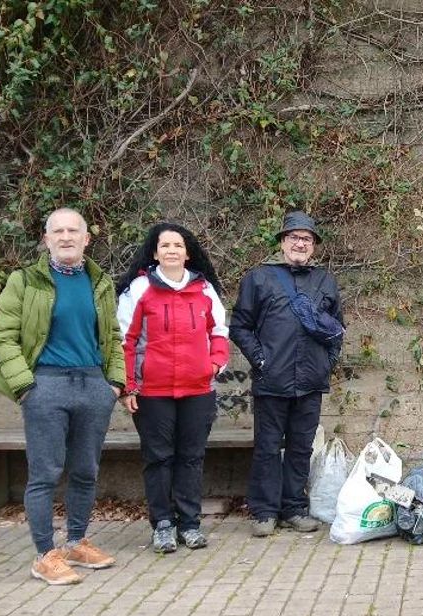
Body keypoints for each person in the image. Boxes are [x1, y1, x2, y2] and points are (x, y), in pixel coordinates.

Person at [0, 208, 125, 585]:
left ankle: (77, 542)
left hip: (93, 386)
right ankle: (45, 555)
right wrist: (25, 387)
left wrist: (112, 384)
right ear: (46, 240)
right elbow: (2, 336)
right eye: (57, 231)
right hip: (45, 385)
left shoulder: (100, 282)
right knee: (45, 473)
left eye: (73, 231)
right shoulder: (25, 281)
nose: (66, 237)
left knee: (85, 470)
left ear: (86, 239)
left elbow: (113, 335)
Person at [116, 223, 229, 553]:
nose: (171, 251)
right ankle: (162, 524)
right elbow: (125, 340)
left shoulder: (204, 289)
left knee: (191, 458)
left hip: (197, 390)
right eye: (164, 245)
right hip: (153, 392)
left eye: (177, 245)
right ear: (155, 252)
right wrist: (129, 387)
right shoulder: (138, 290)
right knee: (159, 458)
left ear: (187, 252)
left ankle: (190, 524)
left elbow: (219, 332)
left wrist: (213, 364)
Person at [230, 211, 344, 536]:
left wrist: (327, 362)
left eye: (306, 239)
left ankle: (294, 508)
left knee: (300, 447)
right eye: (294, 237)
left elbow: (337, 329)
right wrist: (260, 359)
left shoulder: (325, 281)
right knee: (267, 447)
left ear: (314, 246)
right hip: (272, 380)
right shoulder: (260, 278)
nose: (300, 243)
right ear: (282, 242)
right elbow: (240, 325)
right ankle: (265, 512)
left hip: (310, 381)